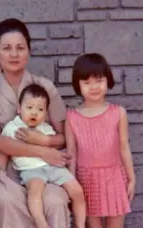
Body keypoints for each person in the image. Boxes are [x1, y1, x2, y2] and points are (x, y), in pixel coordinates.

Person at [0, 18, 72, 228]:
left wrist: (44, 143)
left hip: (46, 166)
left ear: (29, 50)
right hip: (4, 166)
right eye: (7, 48)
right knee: (6, 201)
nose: (14, 54)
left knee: (55, 201)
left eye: (20, 48)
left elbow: (63, 136)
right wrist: (40, 150)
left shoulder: (44, 86)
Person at [0, 84, 86, 228]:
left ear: (46, 114)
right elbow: (4, 147)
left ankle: (80, 225)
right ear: (19, 108)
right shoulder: (12, 127)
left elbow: (58, 143)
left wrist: (46, 142)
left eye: (40, 109)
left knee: (78, 191)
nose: (34, 113)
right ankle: (41, 223)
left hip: (53, 167)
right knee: (35, 190)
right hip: (31, 170)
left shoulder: (45, 128)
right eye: (29, 108)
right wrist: (2, 173)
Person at [66, 53, 135, 228]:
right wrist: (72, 182)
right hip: (86, 180)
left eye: (98, 80)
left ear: (108, 80)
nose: (94, 87)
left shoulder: (118, 112)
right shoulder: (71, 117)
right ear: (78, 85)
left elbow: (124, 148)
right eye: (86, 82)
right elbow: (72, 153)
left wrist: (131, 178)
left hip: (114, 177)